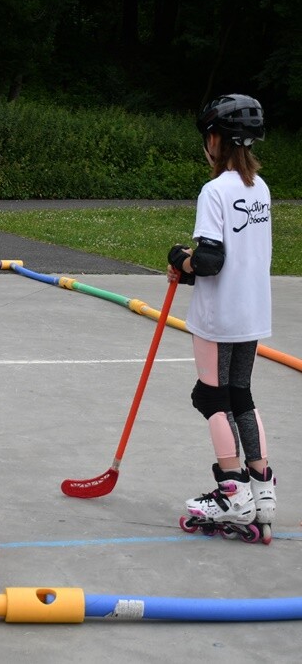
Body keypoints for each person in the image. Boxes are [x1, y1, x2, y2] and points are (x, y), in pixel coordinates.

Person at [166, 94, 276, 544]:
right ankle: (262, 491)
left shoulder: (215, 191)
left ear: (216, 139)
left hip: (218, 316)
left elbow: (211, 260)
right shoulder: (260, 188)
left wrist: (181, 259)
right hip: (252, 310)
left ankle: (232, 492)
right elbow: (236, 255)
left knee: (212, 397)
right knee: (241, 394)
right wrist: (193, 267)